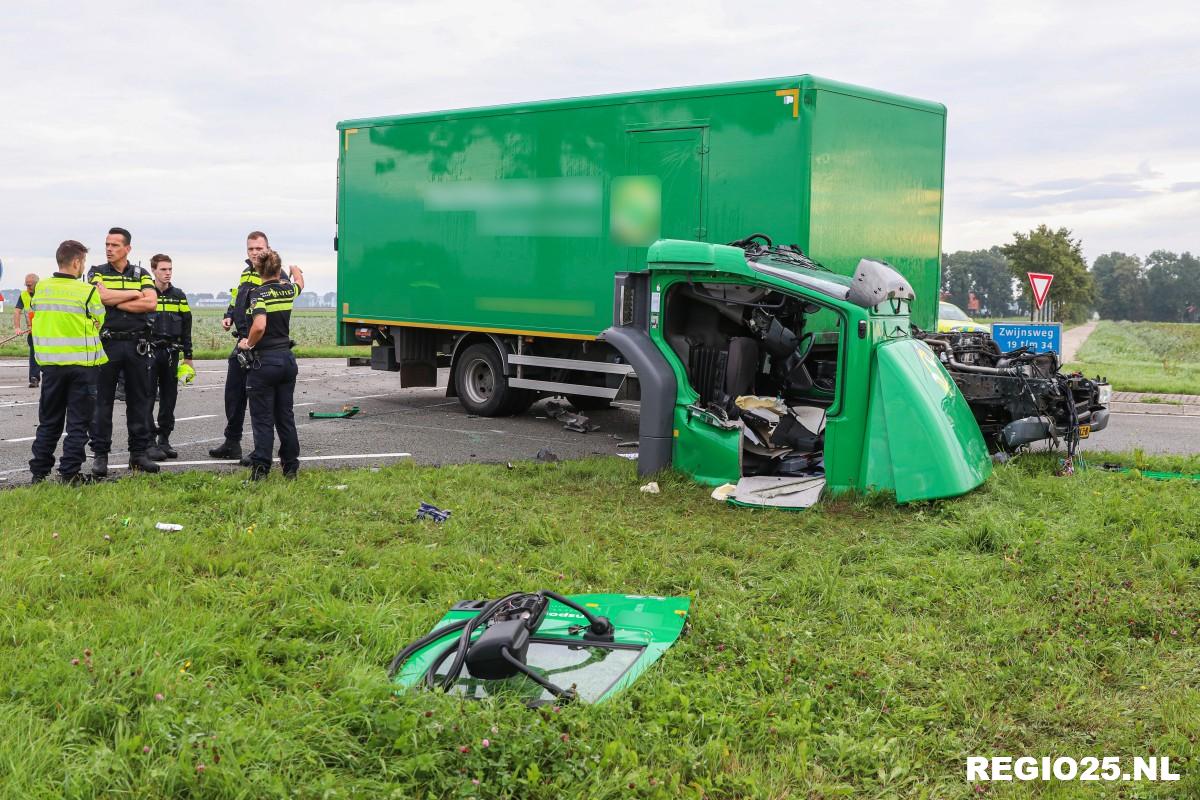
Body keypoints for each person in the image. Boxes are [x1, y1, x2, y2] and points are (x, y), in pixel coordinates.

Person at [28, 241, 107, 484]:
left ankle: (39, 474)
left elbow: (36, 313)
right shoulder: (87, 291)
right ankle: (70, 474)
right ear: (76, 262)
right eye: (82, 262)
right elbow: (100, 319)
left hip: (50, 366)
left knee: (49, 422)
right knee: (77, 424)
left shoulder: (41, 289)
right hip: (82, 367)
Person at [87, 227, 160, 476]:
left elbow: (151, 302)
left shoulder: (142, 272)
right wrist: (133, 293)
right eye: (107, 244)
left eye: (115, 245)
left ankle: (138, 455)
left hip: (136, 344)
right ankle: (100, 456)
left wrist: (116, 299)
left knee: (139, 401)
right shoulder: (96, 272)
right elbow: (100, 298)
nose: (109, 249)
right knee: (102, 402)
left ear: (127, 248)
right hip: (107, 344)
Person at [239, 248, 304, 479]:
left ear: (258, 269)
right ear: (279, 269)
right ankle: (291, 467)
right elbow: (300, 284)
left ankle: (261, 469)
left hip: (264, 361)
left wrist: (248, 344)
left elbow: (259, 325)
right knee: (285, 415)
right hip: (286, 359)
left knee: (263, 418)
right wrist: (295, 270)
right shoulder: (288, 290)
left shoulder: (258, 294)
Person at [209, 231, 269, 461]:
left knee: (258, 399)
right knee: (233, 395)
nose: (254, 253)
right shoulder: (246, 272)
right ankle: (232, 442)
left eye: (258, 248)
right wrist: (229, 315)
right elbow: (237, 298)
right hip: (241, 341)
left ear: (267, 249)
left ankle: (259, 449)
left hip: (260, 344)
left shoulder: (272, 273)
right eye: (251, 249)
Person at [146, 254, 193, 459]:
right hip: (149, 352)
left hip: (172, 353)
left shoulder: (179, 295)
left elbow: (186, 326)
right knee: (147, 397)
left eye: (170, 269)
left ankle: (164, 439)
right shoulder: (146, 294)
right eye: (163, 269)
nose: (167, 273)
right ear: (154, 270)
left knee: (169, 398)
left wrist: (188, 356)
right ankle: (148, 441)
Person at [13, 272, 41, 388]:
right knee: (34, 355)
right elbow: (17, 311)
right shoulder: (24, 295)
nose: (27, 287)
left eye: (29, 285)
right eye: (26, 285)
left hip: (46, 331)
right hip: (32, 332)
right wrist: (17, 327)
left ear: (36, 284)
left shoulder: (43, 294)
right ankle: (34, 378)